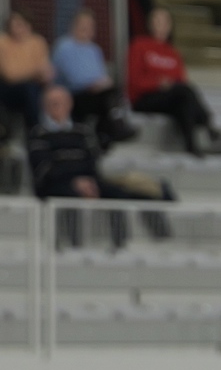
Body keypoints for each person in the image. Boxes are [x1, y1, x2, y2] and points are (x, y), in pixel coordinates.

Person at [28, 85, 175, 248]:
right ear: (44, 106)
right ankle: (73, 246)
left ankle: (121, 244)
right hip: (55, 183)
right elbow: (43, 168)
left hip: (87, 179)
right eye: (52, 103)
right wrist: (76, 181)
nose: (57, 106)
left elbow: (92, 160)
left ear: (69, 104)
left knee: (118, 194)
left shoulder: (82, 131)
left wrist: (88, 181)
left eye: (60, 102)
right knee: (69, 195)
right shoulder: (37, 134)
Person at [126, 7, 221, 157]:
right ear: (149, 24)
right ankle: (208, 127)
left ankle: (191, 145)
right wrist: (158, 84)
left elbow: (181, 80)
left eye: (165, 22)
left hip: (171, 98)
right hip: (146, 98)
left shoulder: (173, 53)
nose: (161, 25)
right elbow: (134, 81)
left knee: (184, 101)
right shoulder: (139, 45)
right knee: (184, 92)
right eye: (157, 21)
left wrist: (170, 86)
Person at [52, 9, 136, 149]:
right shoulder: (64, 46)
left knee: (112, 93)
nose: (87, 28)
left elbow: (102, 75)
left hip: (94, 94)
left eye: (90, 25)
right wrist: (94, 83)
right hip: (73, 95)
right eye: (83, 24)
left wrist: (102, 83)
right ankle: (113, 130)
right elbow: (73, 78)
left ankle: (106, 134)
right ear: (74, 25)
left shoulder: (94, 50)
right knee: (108, 98)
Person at [0, 10, 53, 133]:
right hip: (9, 88)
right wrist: (35, 72)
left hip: (36, 86)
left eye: (21, 24)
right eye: (14, 25)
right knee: (30, 90)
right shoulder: (3, 42)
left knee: (57, 91)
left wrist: (40, 74)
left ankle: (59, 130)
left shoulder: (38, 42)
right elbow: (10, 74)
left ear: (28, 25)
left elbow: (46, 71)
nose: (17, 29)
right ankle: (35, 130)